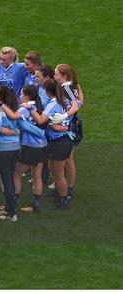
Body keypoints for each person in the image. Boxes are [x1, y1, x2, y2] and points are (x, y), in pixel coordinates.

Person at [23, 79, 72, 209]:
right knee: (57, 172)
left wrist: (30, 108)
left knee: (58, 174)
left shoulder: (52, 104)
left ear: (47, 91)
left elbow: (40, 120)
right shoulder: (65, 102)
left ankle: (63, 200)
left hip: (58, 143)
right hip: (65, 140)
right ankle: (62, 196)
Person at [6, 85, 48, 212]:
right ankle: (35, 205)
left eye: (22, 94)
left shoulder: (25, 109)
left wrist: (3, 105)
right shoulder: (40, 107)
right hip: (43, 146)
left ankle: (13, 203)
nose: (20, 96)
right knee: (37, 175)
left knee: (17, 174)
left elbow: (13, 117)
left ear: (27, 96)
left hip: (30, 146)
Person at [0, 86, 21, 222]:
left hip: (2, 149)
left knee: (6, 180)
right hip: (15, 148)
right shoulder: (15, 109)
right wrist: (15, 132)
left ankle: (11, 214)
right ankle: (9, 208)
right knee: (10, 178)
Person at [54, 64, 83, 200]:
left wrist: (64, 116)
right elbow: (81, 101)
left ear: (64, 76)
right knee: (68, 160)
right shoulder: (71, 85)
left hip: (68, 125)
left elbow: (76, 105)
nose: (55, 77)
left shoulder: (66, 87)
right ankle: (66, 187)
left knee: (68, 160)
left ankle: (68, 188)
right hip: (70, 124)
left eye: (56, 74)